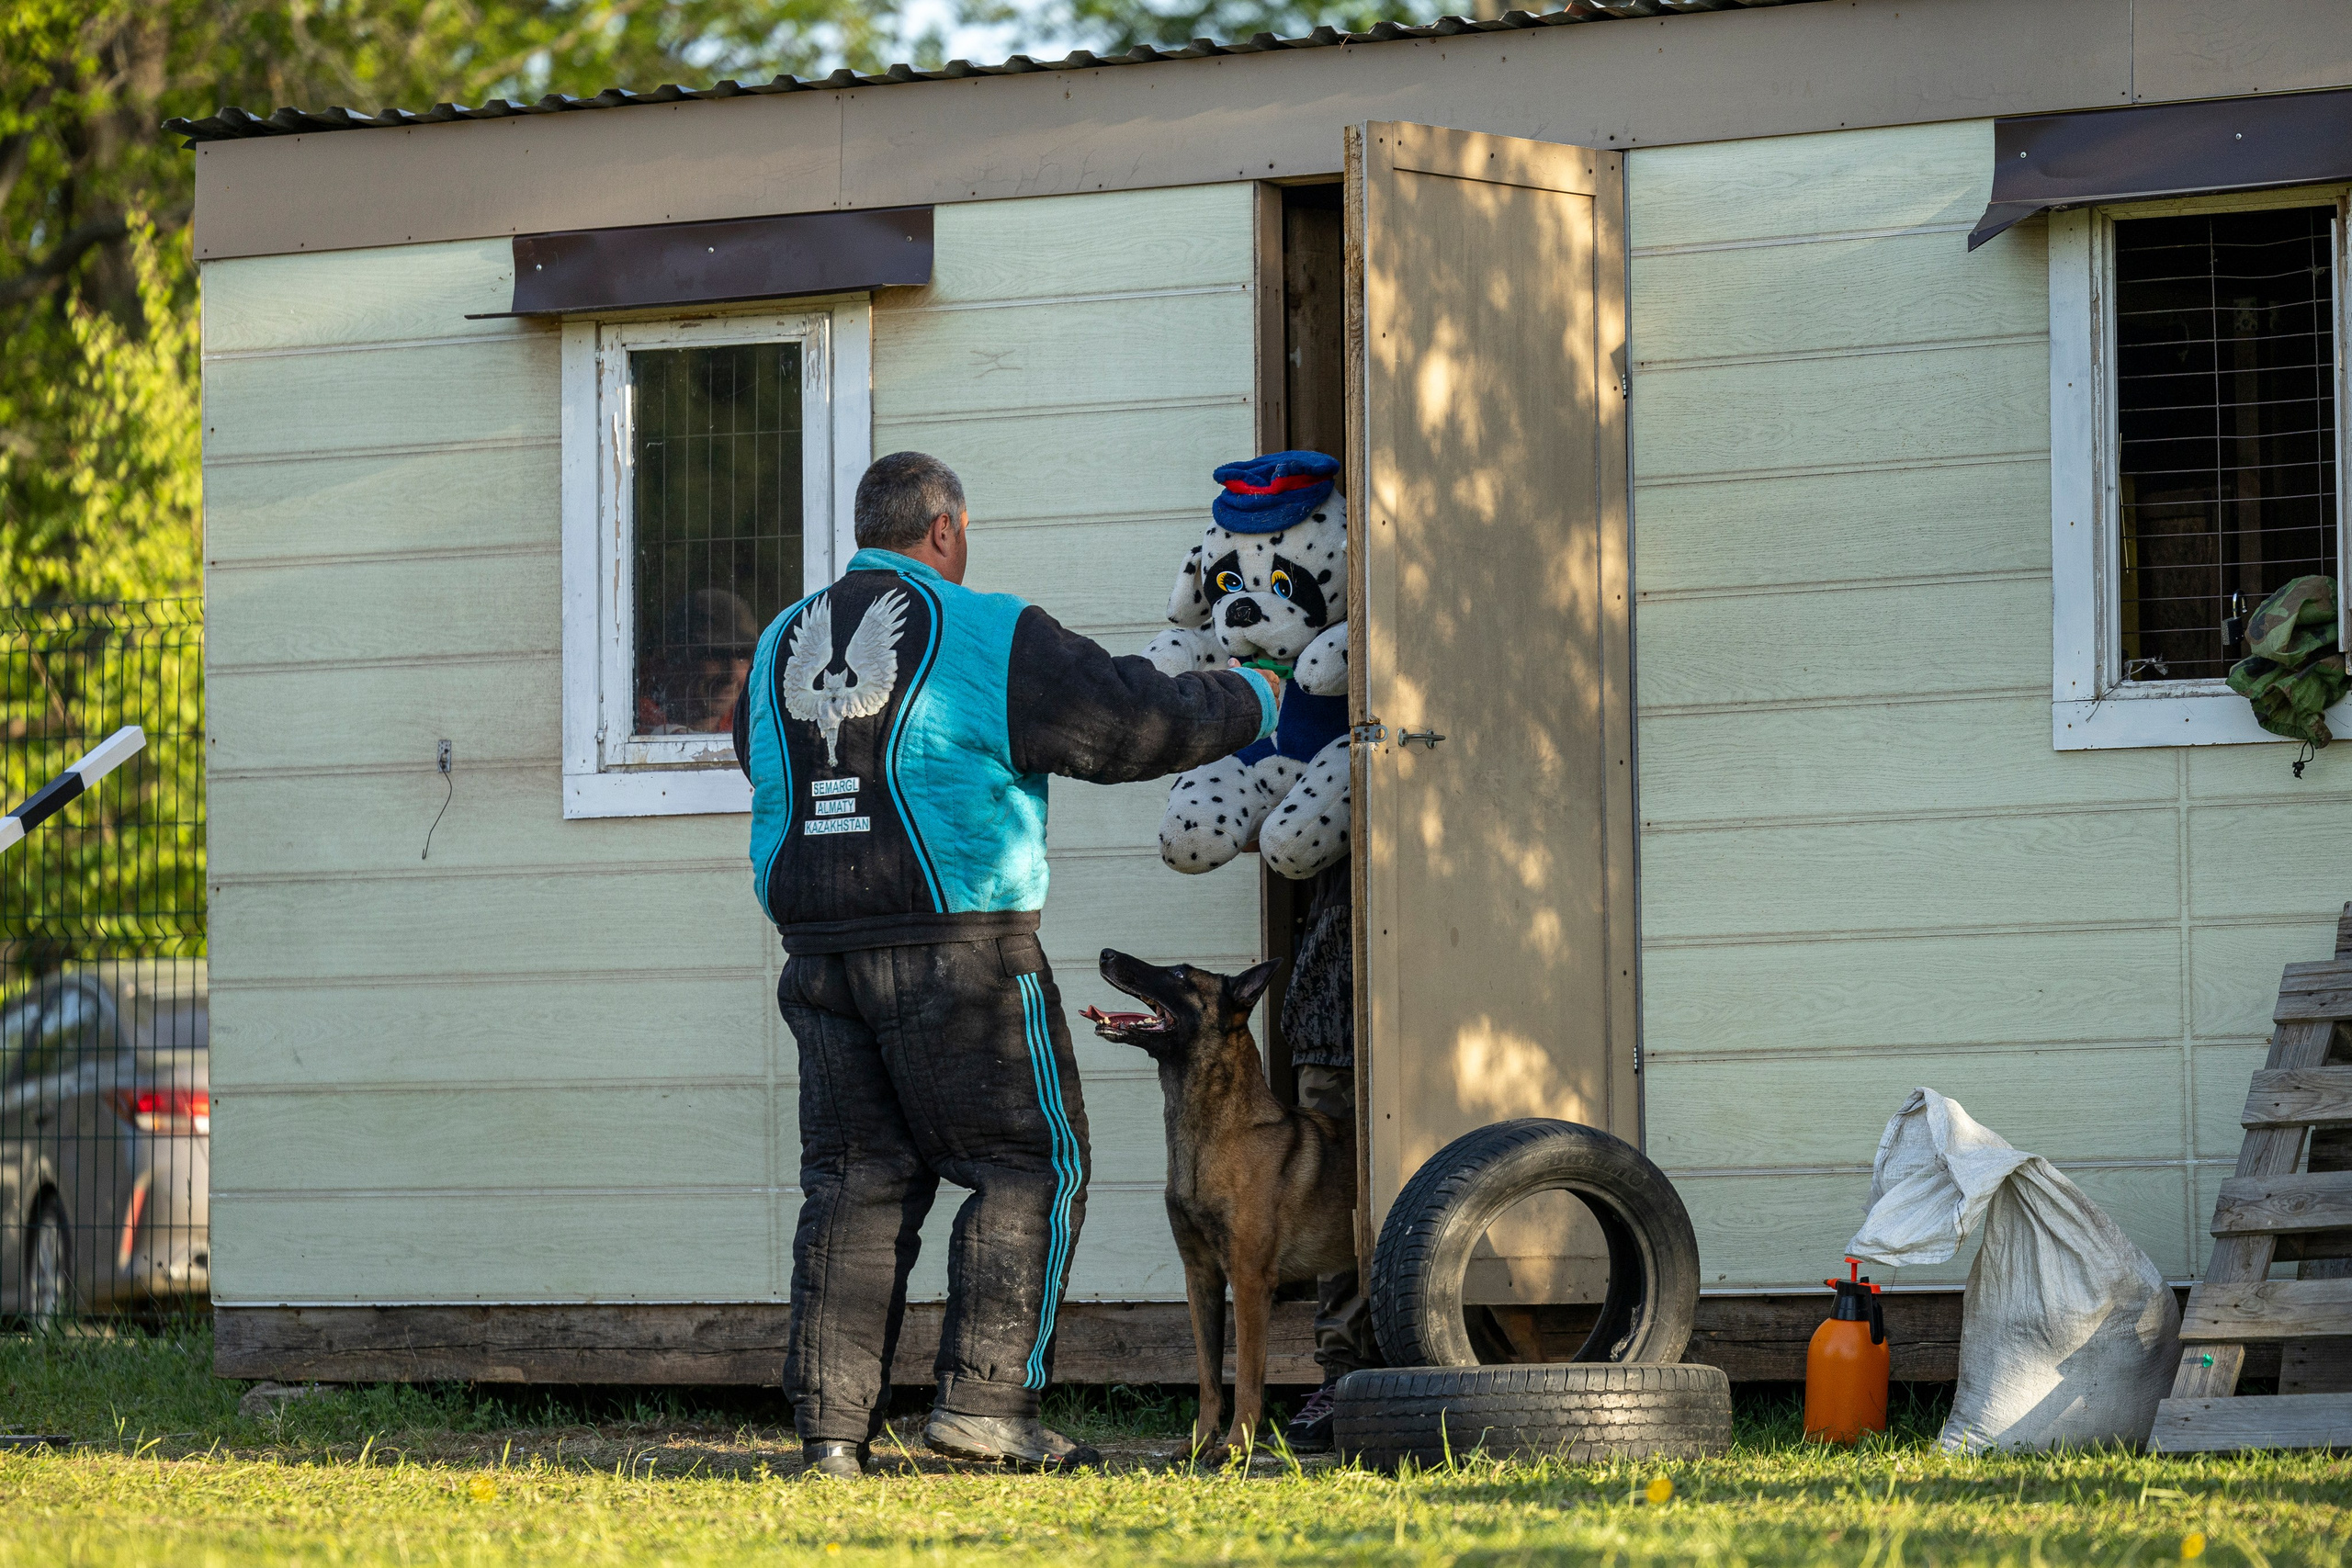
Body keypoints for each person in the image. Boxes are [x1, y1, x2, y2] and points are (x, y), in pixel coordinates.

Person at [733, 451, 1282, 1479]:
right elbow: (1130, 725)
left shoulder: (776, 646)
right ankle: (985, 1410)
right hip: (960, 952)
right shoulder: (987, 631)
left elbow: (764, 760)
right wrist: (1254, 693)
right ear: (945, 529)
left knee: (856, 1184)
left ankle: (831, 1441)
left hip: (817, 957)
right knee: (1028, 1166)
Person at [1274, 861, 1384, 1452]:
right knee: (1336, 1209)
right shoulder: (1321, 777)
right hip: (1330, 1026)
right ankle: (1343, 1377)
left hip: (1435, 1023)